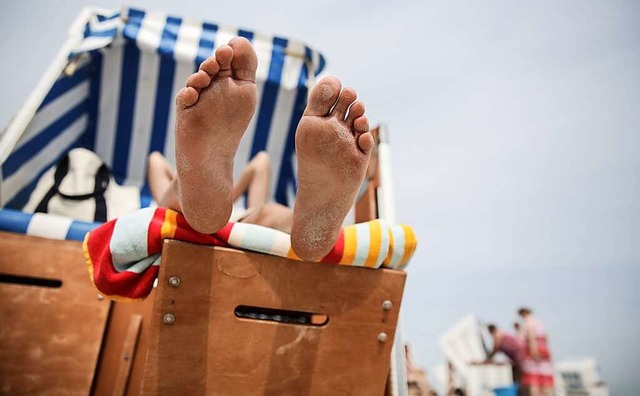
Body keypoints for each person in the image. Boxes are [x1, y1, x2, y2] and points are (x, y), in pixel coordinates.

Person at [150, 36, 373, 261]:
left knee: (180, 196)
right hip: (242, 220)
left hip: (222, 218)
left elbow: (155, 161)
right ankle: (302, 229)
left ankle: (198, 195)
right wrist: (215, 191)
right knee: (267, 213)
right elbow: (261, 163)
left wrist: (222, 195)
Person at [148, 150, 294, 233]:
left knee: (155, 159)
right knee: (265, 213)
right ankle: (294, 221)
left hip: (185, 215)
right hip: (239, 223)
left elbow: (156, 162)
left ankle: (186, 188)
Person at [518, 307, 555, 396]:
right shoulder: (540, 323)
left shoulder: (528, 323)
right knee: (545, 378)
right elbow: (546, 338)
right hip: (544, 350)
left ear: (523, 314)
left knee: (533, 380)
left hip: (533, 352)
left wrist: (533, 350)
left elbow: (531, 336)